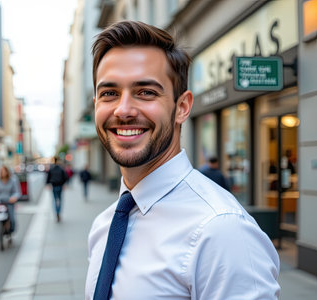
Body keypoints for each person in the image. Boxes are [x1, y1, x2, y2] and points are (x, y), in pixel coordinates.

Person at [85, 21, 279, 299]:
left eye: (146, 92)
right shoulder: (104, 226)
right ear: (96, 106)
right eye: (109, 94)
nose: (123, 110)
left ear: (182, 107)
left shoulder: (221, 231)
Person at [0, 165, 21, 234]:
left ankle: (11, 230)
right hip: (0, 202)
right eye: (1, 171)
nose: (3, 173)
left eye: (4, 171)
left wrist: (14, 197)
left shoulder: (13, 179)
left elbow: (17, 192)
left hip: (10, 202)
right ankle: (1, 230)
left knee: (12, 219)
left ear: (7, 171)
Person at [46, 157, 68, 222]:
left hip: (54, 186)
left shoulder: (51, 169)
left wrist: (48, 184)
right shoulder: (61, 169)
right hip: (60, 186)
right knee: (60, 200)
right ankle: (58, 212)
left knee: (54, 200)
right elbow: (66, 177)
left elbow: (48, 178)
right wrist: (64, 184)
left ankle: (56, 212)